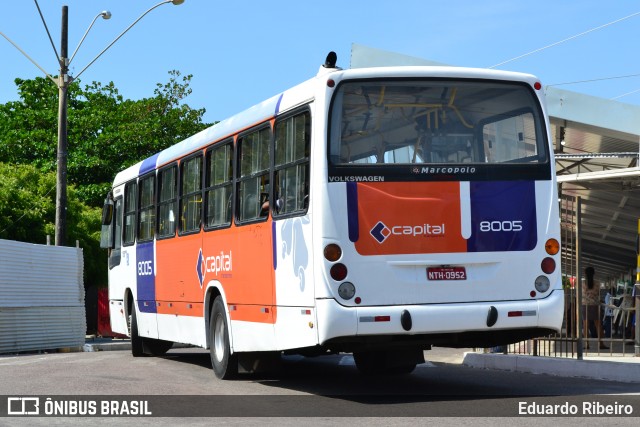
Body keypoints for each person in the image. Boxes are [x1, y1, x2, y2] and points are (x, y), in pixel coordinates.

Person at [582, 266, 608, 349]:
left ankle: (587, 344)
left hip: (585, 305)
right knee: (598, 325)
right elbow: (598, 295)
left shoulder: (582, 283)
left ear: (585, 273)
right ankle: (601, 344)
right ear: (594, 273)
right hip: (594, 305)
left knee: (586, 325)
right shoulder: (597, 283)